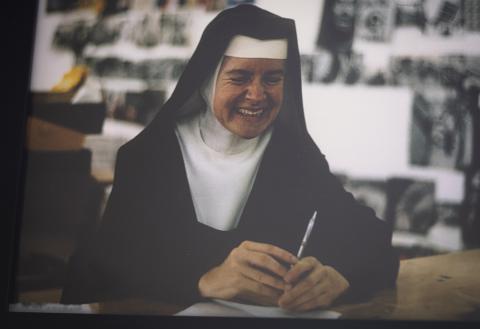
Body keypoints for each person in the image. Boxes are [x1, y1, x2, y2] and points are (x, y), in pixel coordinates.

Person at [61, 4, 399, 313]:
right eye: (239, 77)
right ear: (207, 82)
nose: (257, 94)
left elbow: (368, 235)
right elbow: (106, 267)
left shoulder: (293, 155)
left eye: (272, 79)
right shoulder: (149, 156)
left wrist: (340, 273)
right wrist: (203, 278)